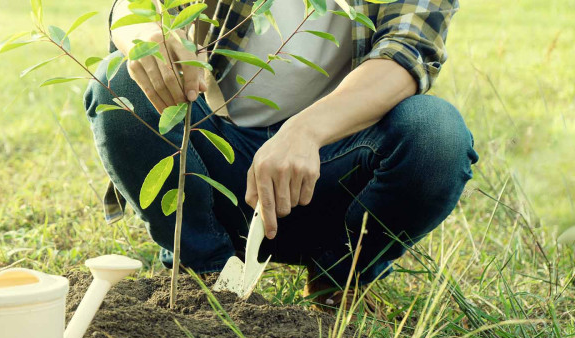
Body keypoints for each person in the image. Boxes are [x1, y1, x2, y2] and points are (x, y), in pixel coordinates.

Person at [83, 0, 478, 307]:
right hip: (217, 167)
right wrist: (147, 35)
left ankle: (337, 280)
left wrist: (305, 131)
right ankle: (206, 273)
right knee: (117, 80)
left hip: (335, 173)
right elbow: (134, 8)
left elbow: (405, 55)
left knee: (435, 133)